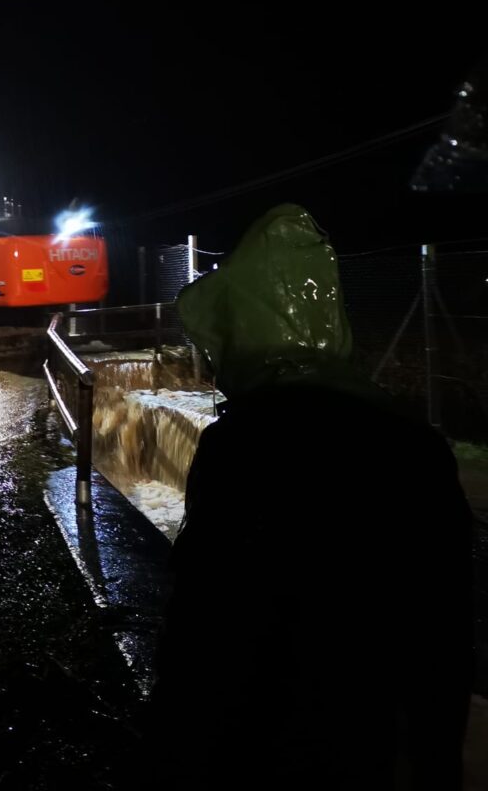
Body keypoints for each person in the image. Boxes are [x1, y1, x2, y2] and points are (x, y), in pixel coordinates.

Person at [143, 204, 473, 789]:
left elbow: (206, 626)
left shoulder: (241, 448)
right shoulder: (415, 445)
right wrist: (436, 759)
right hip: (382, 737)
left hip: (268, 743)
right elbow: (444, 629)